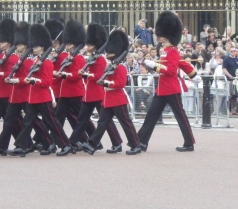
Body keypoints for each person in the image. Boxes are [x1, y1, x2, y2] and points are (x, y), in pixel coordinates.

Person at [138, 11, 201, 152]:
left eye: (162, 35)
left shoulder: (172, 51)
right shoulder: (165, 51)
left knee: (180, 116)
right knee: (151, 115)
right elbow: (181, 63)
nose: (159, 37)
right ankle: (141, 141)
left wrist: (154, 65)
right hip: (162, 89)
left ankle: (189, 142)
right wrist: (192, 73)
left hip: (171, 89)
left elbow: (172, 70)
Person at [7, 24, 71, 157]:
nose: (33, 48)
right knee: (27, 123)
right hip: (33, 98)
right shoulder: (35, 61)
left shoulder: (47, 62)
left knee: (52, 123)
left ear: (42, 47)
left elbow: (47, 82)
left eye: (35, 46)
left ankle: (65, 144)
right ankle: (21, 146)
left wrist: (34, 81)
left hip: (43, 98)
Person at [77, 30, 141, 155]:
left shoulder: (121, 66)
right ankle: (92, 144)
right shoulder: (110, 66)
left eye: (110, 52)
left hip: (118, 99)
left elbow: (121, 84)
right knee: (101, 124)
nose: (107, 53)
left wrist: (105, 83)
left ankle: (136, 144)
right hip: (108, 100)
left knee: (126, 123)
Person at [69, 22, 122, 153]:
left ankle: (117, 143)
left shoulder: (101, 59)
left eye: (90, 44)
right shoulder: (91, 58)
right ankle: (72, 143)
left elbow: (99, 76)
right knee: (81, 120)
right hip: (89, 95)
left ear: (96, 45)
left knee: (105, 122)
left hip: (98, 94)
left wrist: (85, 74)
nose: (87, 47)